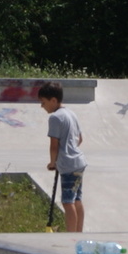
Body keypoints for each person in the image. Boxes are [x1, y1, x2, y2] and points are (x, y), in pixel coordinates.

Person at [39, 81, 87, 232]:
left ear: (53, 100)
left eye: (43, 102)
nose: (42, 106)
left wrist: (52, 163)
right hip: (79, 161)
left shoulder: (55, 118)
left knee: (67, 202)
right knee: (77, 199)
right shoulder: (71, 113)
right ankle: (78, 232)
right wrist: (71, 149)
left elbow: (54, 144)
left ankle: (71, 235)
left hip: (68, 165)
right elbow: (80, 139)